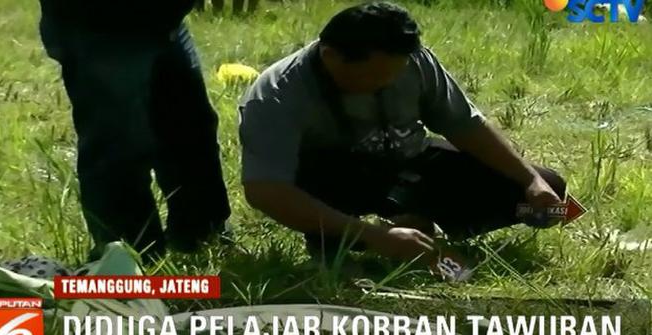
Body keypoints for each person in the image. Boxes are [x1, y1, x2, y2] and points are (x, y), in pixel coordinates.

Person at [237, 1, 566, 268]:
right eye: (375, 76)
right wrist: (372, 235)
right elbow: (266, 190)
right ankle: (355, 237)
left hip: (407, 164)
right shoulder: (277, 95)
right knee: (327, 209)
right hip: (335, 181)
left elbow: (464, 125)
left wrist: (530, 180)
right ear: (331, 57)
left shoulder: (413, 60)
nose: (387, 83)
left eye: (395, 74)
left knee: (544, 185)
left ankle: (416, 222)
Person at [37, 0, 231, 261]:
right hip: (103, 24)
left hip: (161, 20)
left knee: (191, 132)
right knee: (118, 148)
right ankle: (132, 261)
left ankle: (202, 239)